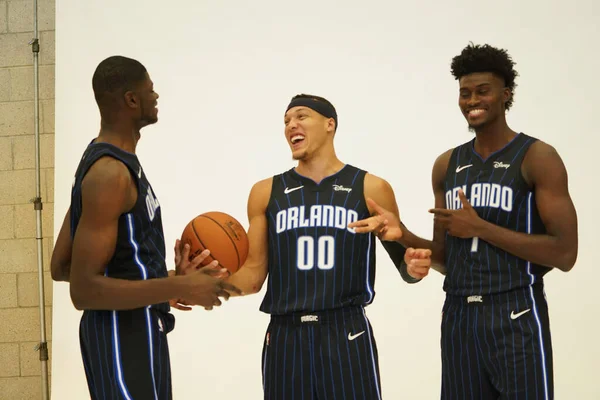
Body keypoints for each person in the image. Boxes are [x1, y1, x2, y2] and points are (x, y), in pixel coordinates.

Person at [349, 43, 579, 399]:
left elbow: (565, 253)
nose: (472, 100)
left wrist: (481, 228)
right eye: (465, 93)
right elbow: (446, 258)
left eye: (482, 91)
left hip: (515, 309)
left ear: (506, 94)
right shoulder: (447, 164)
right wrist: (400, 234)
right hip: (458, 314)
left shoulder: (537, 157)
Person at [50, 55, 241, 400]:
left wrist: (168, 282)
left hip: (136, 329)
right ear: (131, 100)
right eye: (150, 90)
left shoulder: (107, 163)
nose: (156, 97)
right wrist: (176, 283)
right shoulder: (110, 174)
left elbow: (62, 264)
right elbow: (81, 289)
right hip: (121, 333)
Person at [220, 93, 432, 399]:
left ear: (329, 124)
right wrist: (199, 282)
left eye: (301, 116)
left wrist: (414, 266)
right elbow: (252, 276)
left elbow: (405, 266)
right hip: (285, 334)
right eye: (286, 121)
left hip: (345, 329)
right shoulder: (265, 192)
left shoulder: (371, 187)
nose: (291, 124)